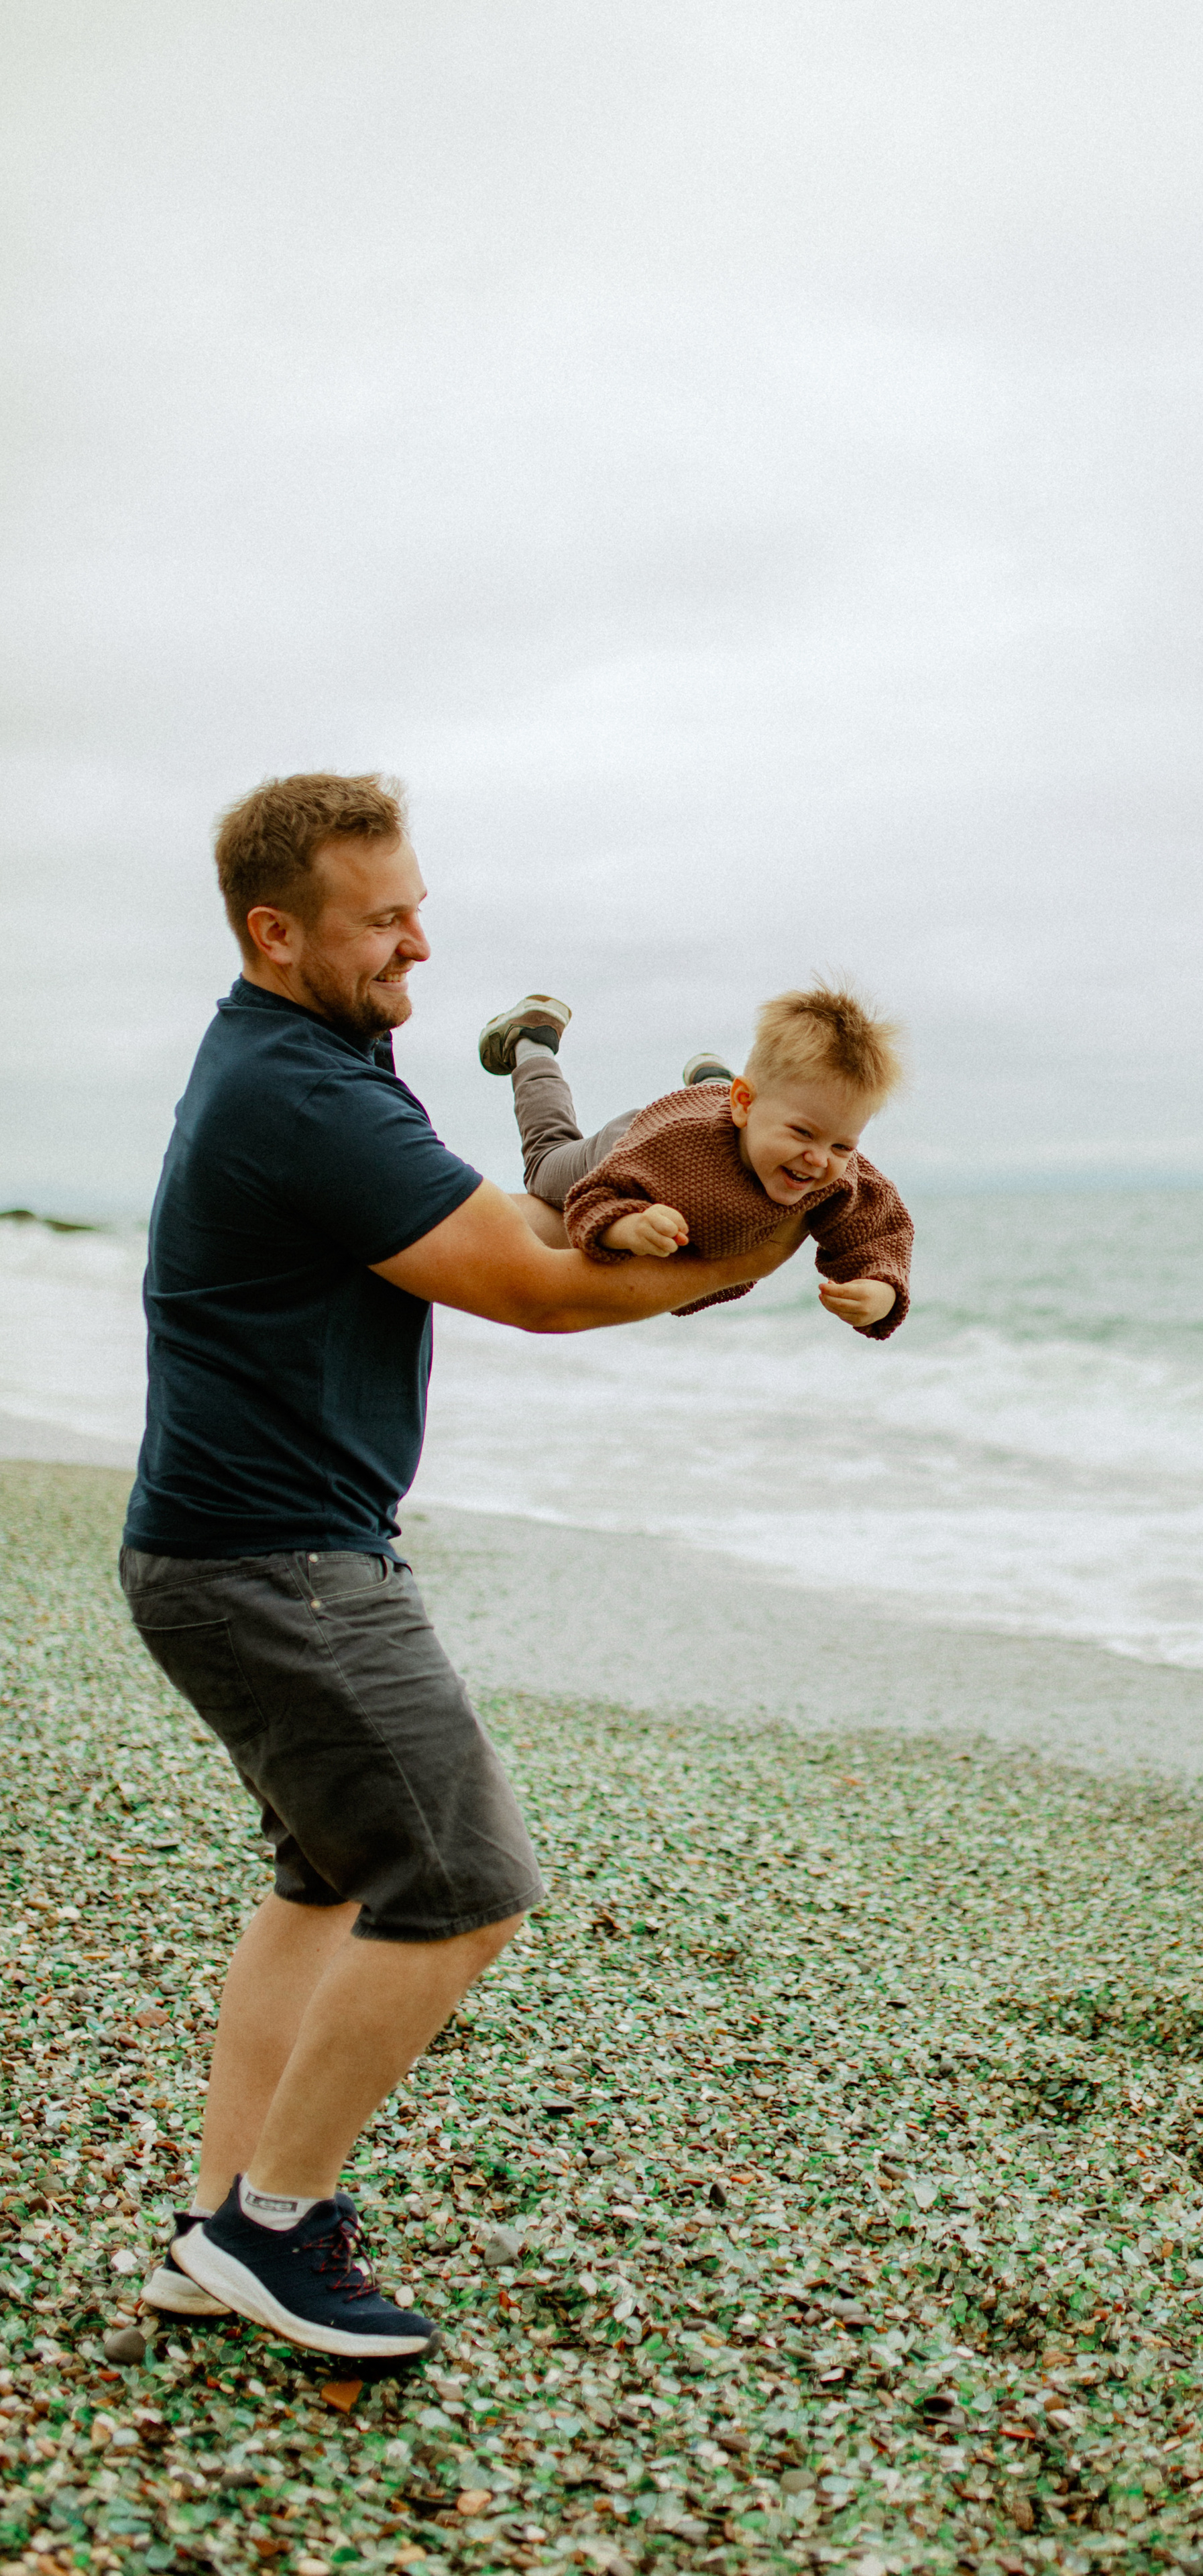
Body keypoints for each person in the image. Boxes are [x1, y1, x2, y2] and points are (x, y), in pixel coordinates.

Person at [122, 772, 801, 2361]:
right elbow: (543, 1289)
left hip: (230, 1551)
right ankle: (273, 2227)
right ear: (274, 931)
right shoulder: (303, 1097)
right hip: (275, 1564)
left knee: (333, 1873)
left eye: (418, 903)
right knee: (464, 1877)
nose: (419, 942)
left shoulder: (306, 1067)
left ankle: (221, 2222)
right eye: (382, 918)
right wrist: (754, 1238)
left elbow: (524, 1229)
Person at [477, 982, 913, 1339]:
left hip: (724, 1117)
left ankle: (714, 1081)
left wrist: (880, 1291)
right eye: (802, 1133)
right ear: (744, 1104)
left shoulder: (838, 1173)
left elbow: (882, 1230)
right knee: (544, 1161)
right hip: (633, 1143)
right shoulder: (666, 1148)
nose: (819, 1160)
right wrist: (628, 1226)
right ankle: (531, 1042)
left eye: (843, 1146)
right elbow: (591, 1197)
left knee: (773, 1133)